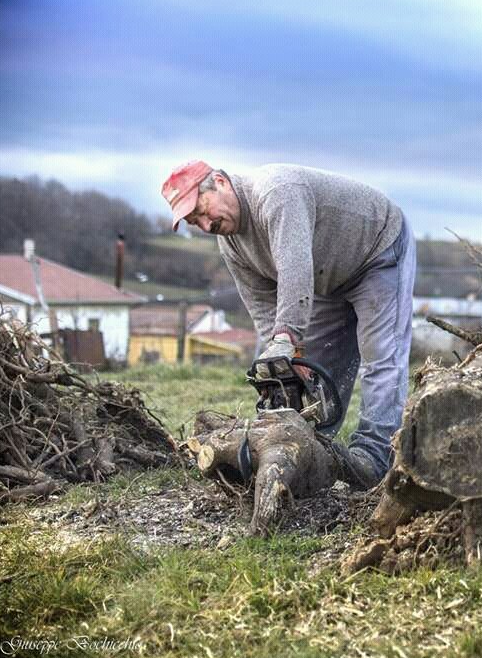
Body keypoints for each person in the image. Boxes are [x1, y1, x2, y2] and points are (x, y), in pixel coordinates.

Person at [161, 160, 416, 489]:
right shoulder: (231, 243)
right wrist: (285, 358)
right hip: (326, 280)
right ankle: (307, 455)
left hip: (376, 252)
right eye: (195, 221)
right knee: (313, 372)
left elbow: (295, 268)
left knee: (381, 357)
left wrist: (288, 338)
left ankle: (373, 458)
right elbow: (263, 306)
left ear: (221, 182)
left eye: (202, 210)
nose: (205, 224)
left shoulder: (276, 193)